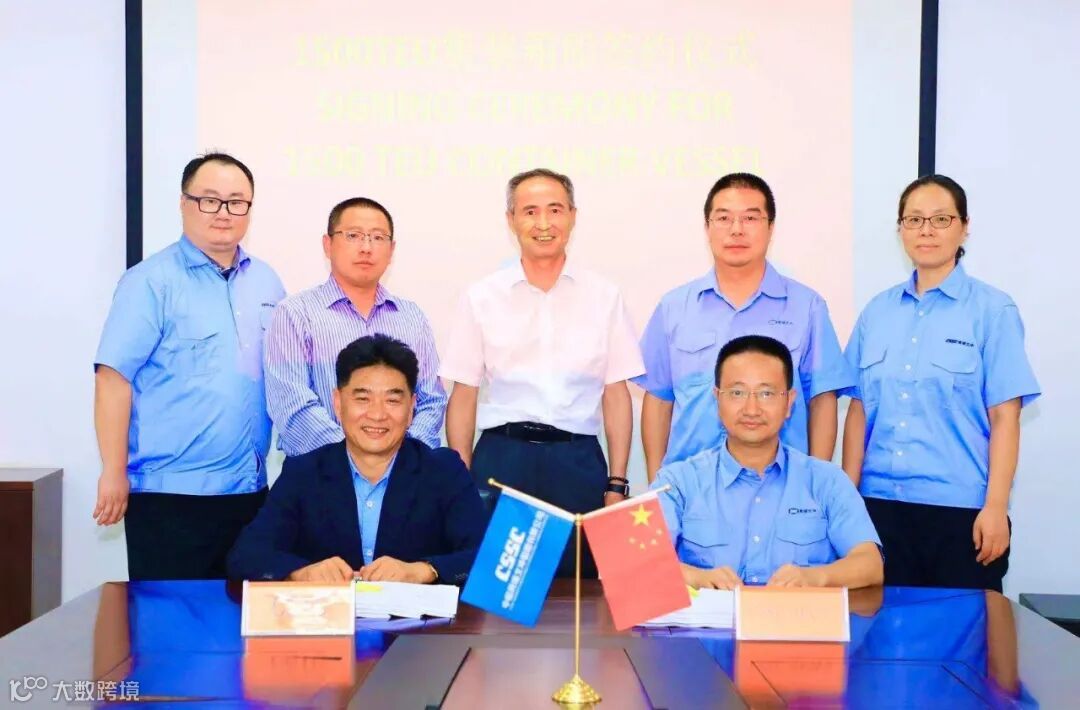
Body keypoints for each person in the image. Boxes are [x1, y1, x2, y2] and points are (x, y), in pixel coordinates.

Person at [440, 168, 644, 577]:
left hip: (577, 461)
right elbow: (463, 394)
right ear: (511, 219)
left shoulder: (604, 296)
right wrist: (460, 479)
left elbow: (616, 394)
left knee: (579, 587)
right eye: (530, 211)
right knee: (498, 588)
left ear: (573, 216)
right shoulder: (482, 296)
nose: (544, 223)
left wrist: (617, 482)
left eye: (555, 210)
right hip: (503, 459)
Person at [841, 174, 1040, 592]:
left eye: (941, 219)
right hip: (879, 509)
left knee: (965, 631)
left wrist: (996, 507)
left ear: (964, 227)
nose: (926, 230)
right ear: (900, 229)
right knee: (876, 630)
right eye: (914, 219)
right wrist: (847, 503)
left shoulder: (993, 311)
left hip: (960, 515)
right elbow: (859, 412)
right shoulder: (877, 312)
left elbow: (1005, 418)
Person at [93, 152, 285, 580]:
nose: (224, 212)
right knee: (168, 619)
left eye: (237, 202)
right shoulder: (150, 282)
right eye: (209, 200)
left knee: (243, 618)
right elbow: (113, 379)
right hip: (170, 498)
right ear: (184, 203)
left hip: (250, 494)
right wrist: (113, 471)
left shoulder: (267, 282)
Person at [635, 173, 854, 480]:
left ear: (771, 227)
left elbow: (821, 402)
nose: (736, 229)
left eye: (750, 218)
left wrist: (814, 485)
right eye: (723, 218)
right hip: (690, 486)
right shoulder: (674, 307)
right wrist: (658, 485)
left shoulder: (807, 307)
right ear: (707, 227)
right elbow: (659, 400)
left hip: (780, 486)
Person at [228, 335, 485, 584]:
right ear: (338, 403)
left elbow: (485, 557)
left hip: (413, 615)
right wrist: (300, 572)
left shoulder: (443, 472)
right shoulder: (303, 473)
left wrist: (424, 570)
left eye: (392, 400)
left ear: (411, 408)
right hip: (329, 613)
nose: (377, 414)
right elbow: (246, 555)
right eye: (363, 399)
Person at [652, 335, 883, 590]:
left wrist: (814, 578)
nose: (752, 409)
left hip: (798, 616)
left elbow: (870, 563)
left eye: (766, 393)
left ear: (789, 402)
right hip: (711, 617)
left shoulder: (826, 481)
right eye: (737, 392)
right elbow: (637, 562)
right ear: (717, 399)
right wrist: (697, 578)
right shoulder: (677, 482)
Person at [264, 197, 446, 456]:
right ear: (328, 245)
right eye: (353, 236)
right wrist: (357, 460)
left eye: (378, 238)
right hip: (321, 470)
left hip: (402, 473)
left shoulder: (411, 317)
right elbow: (292, 406)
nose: (366, 248)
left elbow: (431, 401)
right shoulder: (295, 314)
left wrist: (400, 460)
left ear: (391, 250)